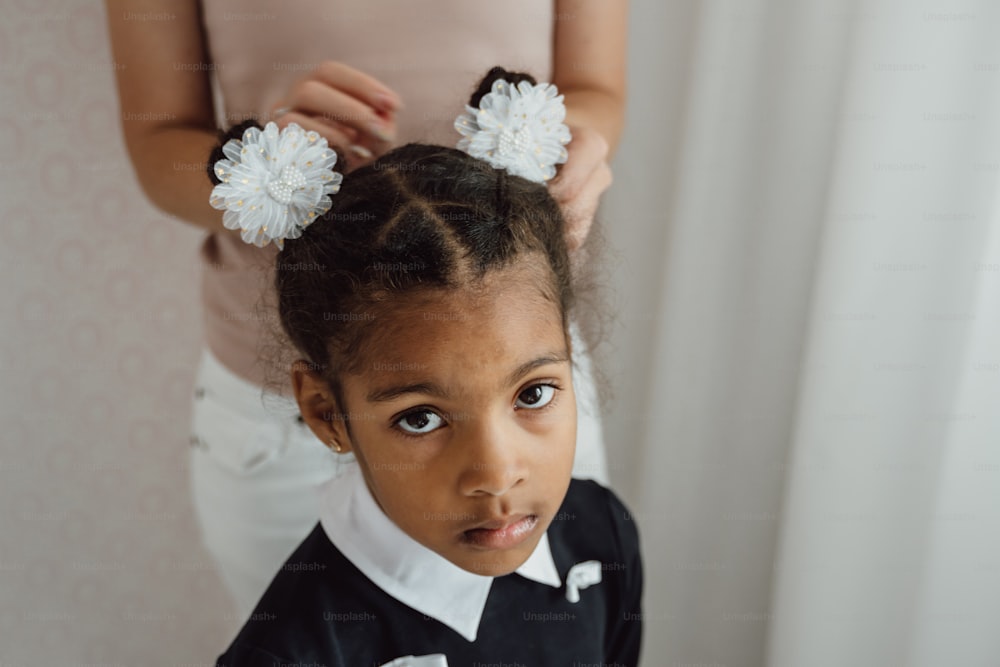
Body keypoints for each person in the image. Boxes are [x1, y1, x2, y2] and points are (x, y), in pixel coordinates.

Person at [105, 0, 627, 620]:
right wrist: (265, 170)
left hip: (511, 359)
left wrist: (561, 151)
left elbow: (595, 87)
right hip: (282, 413)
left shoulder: (577, 497)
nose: (493, 473)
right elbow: (157, 134)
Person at [210, 65, 643, 665]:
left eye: (534, 394)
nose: (495, 474)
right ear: (327, 412)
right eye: (421, 419)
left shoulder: (601, 531)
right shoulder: (294, 652)